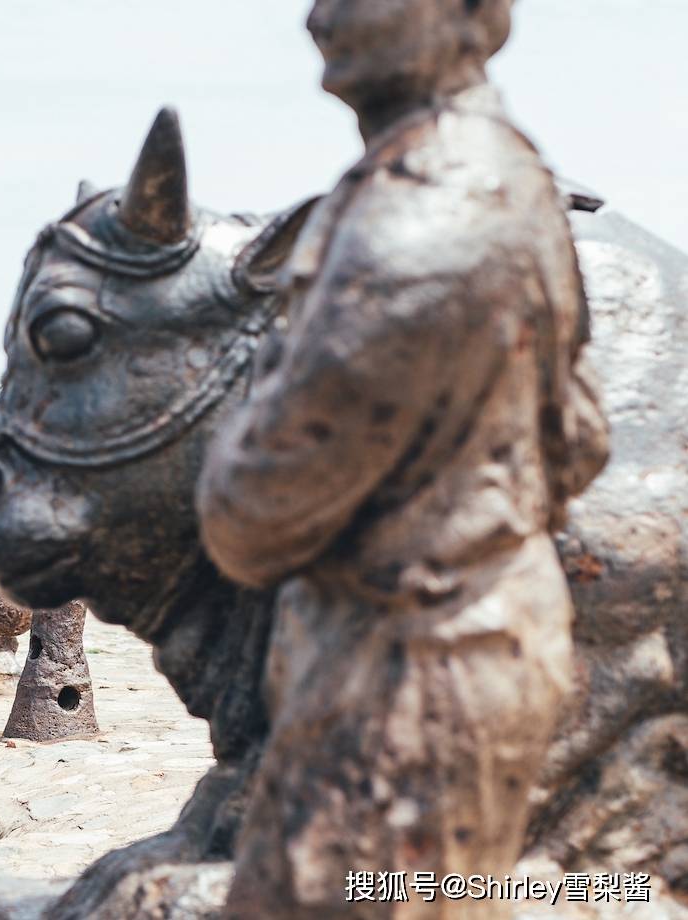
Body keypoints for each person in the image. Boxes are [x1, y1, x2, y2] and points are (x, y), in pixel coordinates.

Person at [197, 1, 610, 915]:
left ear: (468, 11)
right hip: (447, 647)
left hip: (412, 681)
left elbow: (255, 512)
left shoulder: (426, 213)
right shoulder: (498, 170)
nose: (320, 13)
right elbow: (578, 438)